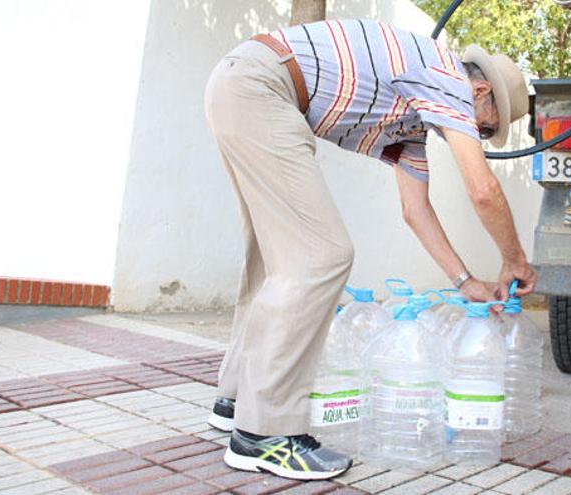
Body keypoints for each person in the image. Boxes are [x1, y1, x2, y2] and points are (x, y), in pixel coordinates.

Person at [203, 18, 537, 480]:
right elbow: (482, 189)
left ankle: (236, 399)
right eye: (486, 129)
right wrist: (515, 259)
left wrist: (466, 282)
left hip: (244, 82)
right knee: (321, 256)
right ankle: (265, 434)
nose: (476, 136)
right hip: (262, 88)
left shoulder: (414, 122)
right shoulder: (446, 78)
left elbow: (415, 211)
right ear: (480, 92)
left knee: (273, 257)